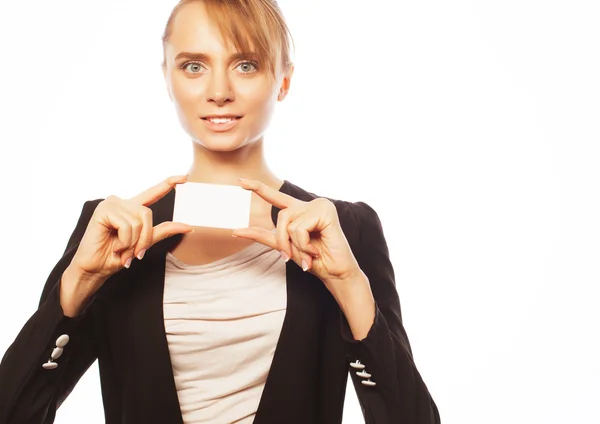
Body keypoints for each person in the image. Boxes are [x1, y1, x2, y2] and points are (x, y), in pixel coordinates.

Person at [0, 0, 440, 423]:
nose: (219, 92)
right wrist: (78, 286)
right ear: (168, 79)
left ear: (283, 79)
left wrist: (348, 285)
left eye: (245, 65)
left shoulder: (346, 231)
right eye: (194, 66)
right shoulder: (111, 228)